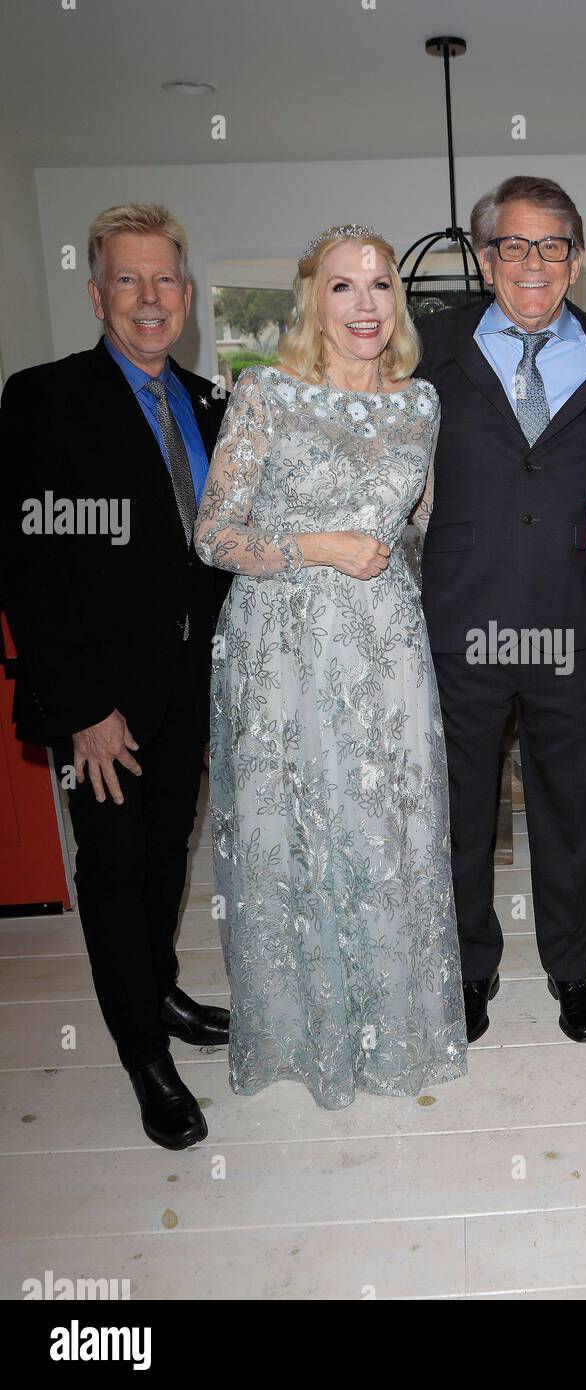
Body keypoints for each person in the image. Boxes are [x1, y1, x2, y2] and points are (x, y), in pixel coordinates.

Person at [195, 224, 467, 1109]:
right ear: (313, 299)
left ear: (399, 302)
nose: (364, 305)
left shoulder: (421, 405)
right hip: (280, 654)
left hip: (383, 650)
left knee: (387, 835)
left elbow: (420, 532)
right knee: (297, 835)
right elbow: (214, 535)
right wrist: (320, 545)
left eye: (380, 285)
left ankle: (392, 1026)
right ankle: (304, 1035)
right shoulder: (265, 393)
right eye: (343, 287)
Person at [0, 203, 231, 1149]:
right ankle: (143, 1053)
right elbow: (27, 565)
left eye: (163, 280)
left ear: (185, 295)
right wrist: (85, 708)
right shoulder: (45, 397)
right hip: (104, 701)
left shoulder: (210, 401)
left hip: (192, 685)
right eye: (127, 280)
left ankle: (160, 988)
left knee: (169, 847)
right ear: (96, 294)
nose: (148, 298)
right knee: (112, 863)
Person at [414, 175, 586, 1043]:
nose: (533, 263)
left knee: (565, 810)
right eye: (514, 244)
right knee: (462, 810)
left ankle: (571, 972)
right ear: (485, 257)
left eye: (552, 245)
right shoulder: (428, 344)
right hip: (461, 619)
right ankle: (469, 972)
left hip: (573, 620)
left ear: (577, 258)